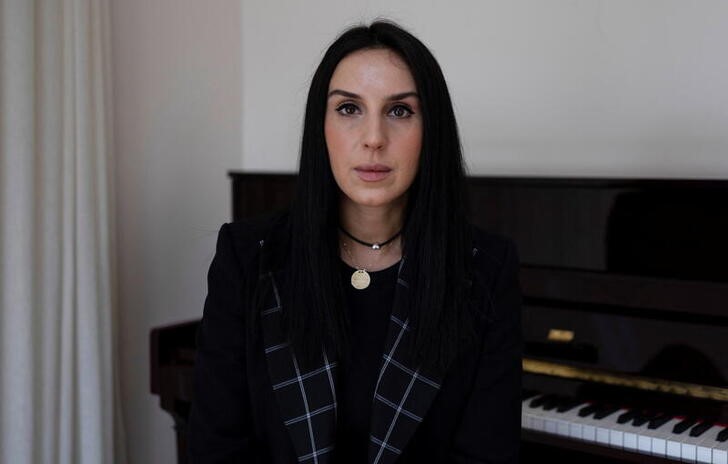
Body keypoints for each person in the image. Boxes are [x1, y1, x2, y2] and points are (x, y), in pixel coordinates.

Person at [188, 20, 522, 464]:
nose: (373, 139)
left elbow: (486, 455)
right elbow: (216, 447)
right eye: (348, 109)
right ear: (320, 125)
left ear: (432, 129)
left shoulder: (486, 268)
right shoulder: (248, 256)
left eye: (400, 111)